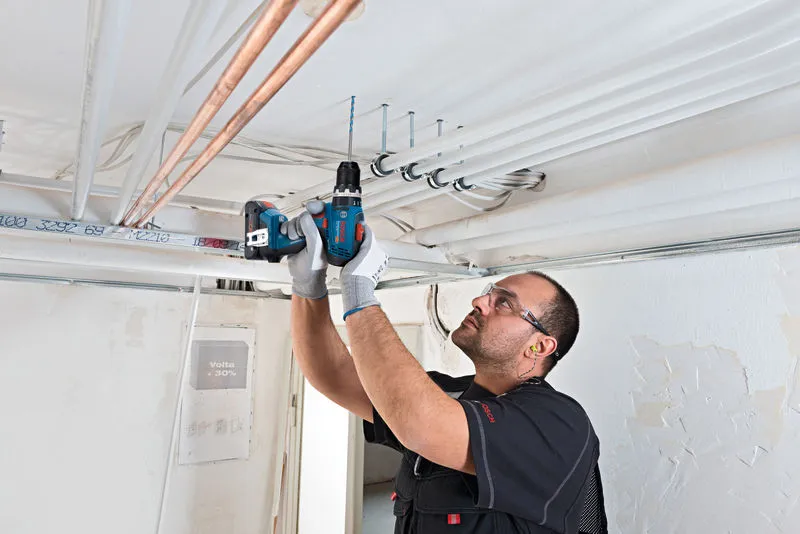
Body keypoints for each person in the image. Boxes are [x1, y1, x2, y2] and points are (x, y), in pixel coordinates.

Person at [284, 203, 608, 534]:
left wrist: (360, 293)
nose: (479, 302)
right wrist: (308, 287)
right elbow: (335, 374)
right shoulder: (447, 396)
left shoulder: (557, 423)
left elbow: (423, 425)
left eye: (504, 303)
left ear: (538, 347)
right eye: (488, 294)